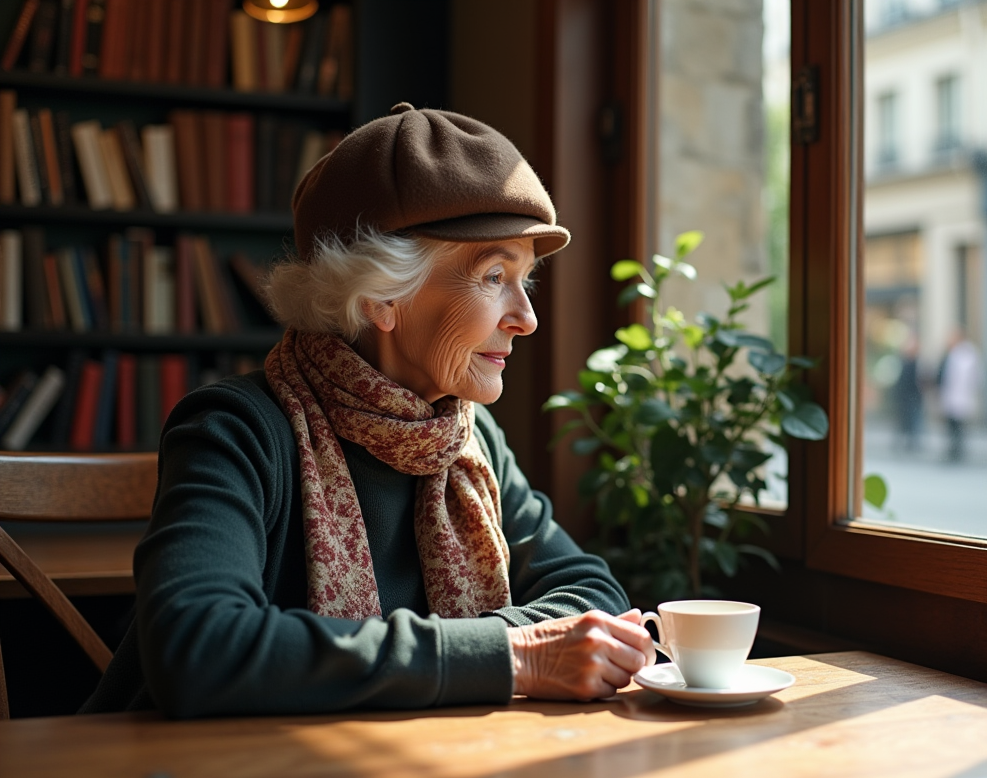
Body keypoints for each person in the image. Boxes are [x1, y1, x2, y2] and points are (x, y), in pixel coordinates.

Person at [81, 103, 654, 718]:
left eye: (525, 280)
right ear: (381, 295)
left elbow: (592, 593)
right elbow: (198, 648)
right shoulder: (235, 429)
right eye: (494, 276)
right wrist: (512, 656)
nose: (527, 318)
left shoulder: (466, 435)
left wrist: (494, 652)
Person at [937, 328, 982, 463]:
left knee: (958, 425)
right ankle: (953, 449)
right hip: (952, 396)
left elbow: (975, 378)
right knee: (951, 425)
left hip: (961, 396)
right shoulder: (953, 354)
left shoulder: (967, 354)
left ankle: (957, 450)